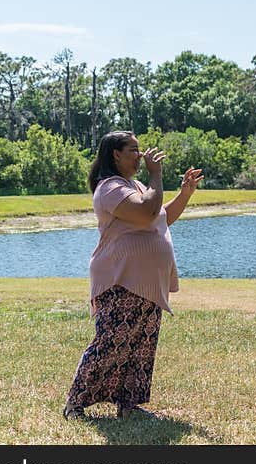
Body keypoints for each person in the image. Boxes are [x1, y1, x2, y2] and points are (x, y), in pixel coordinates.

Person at [63, 130, 203, 419]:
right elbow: (145, 212)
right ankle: (74, 405)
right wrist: (156, 175)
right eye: (133, 150)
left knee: (140, 346)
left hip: (148, 283)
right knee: (110, 342)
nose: (140, 155)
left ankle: (129, 404)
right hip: (121, 280)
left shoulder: (134, 185)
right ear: (116, 154)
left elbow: (160, 216)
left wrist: (185, 193)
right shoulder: (110, 187)